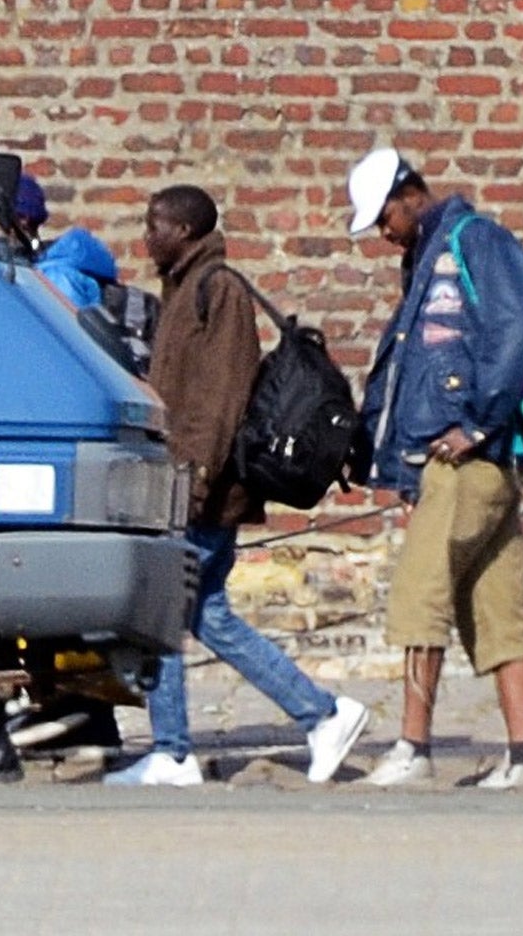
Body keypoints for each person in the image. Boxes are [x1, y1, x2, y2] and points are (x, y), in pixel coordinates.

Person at [103, 184, 370, 787]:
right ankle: (323, 715)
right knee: (210, 616)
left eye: (156, 226)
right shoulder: (184, 290)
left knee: (164, 610)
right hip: (191, 486)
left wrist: (194, 485)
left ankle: (173, 751)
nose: (147, 238)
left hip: (203, 490)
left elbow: (219, 402)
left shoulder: (215, 290)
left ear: (188, 232)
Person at [346, 147, 523, 789]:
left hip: (462, 459)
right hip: (478, 460)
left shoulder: (474, 241)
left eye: (384, 216)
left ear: (410, 193)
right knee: (496, 605)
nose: (382, 232)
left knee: (420, 597)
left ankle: (413, 748)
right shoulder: (430, 255)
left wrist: (479, 423)